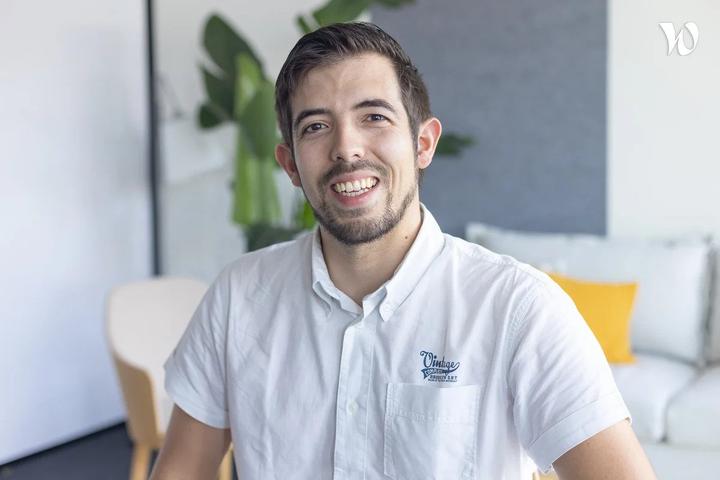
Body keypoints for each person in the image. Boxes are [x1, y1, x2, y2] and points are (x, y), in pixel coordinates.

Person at [150, 22, 656, 480]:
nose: (347, 148)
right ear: (290, 165)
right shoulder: (238, 297)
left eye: (374, 116)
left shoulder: (518, 309)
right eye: (316, 126)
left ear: (423, 144)